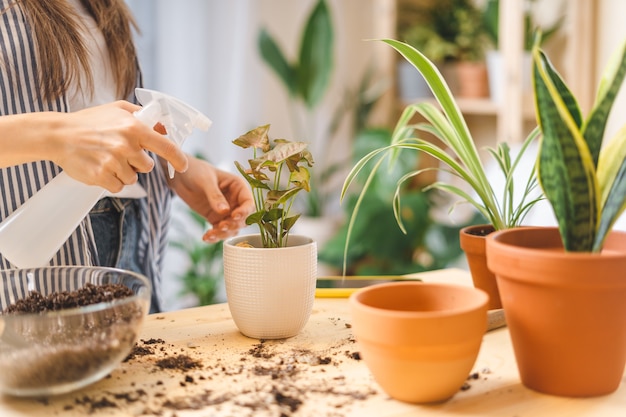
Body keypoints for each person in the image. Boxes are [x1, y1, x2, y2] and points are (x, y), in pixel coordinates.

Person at [0, 0, 254, 312]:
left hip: (132, 226)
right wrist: (57, 135)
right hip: (39, 248)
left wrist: (173, 166)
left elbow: (103, 111)